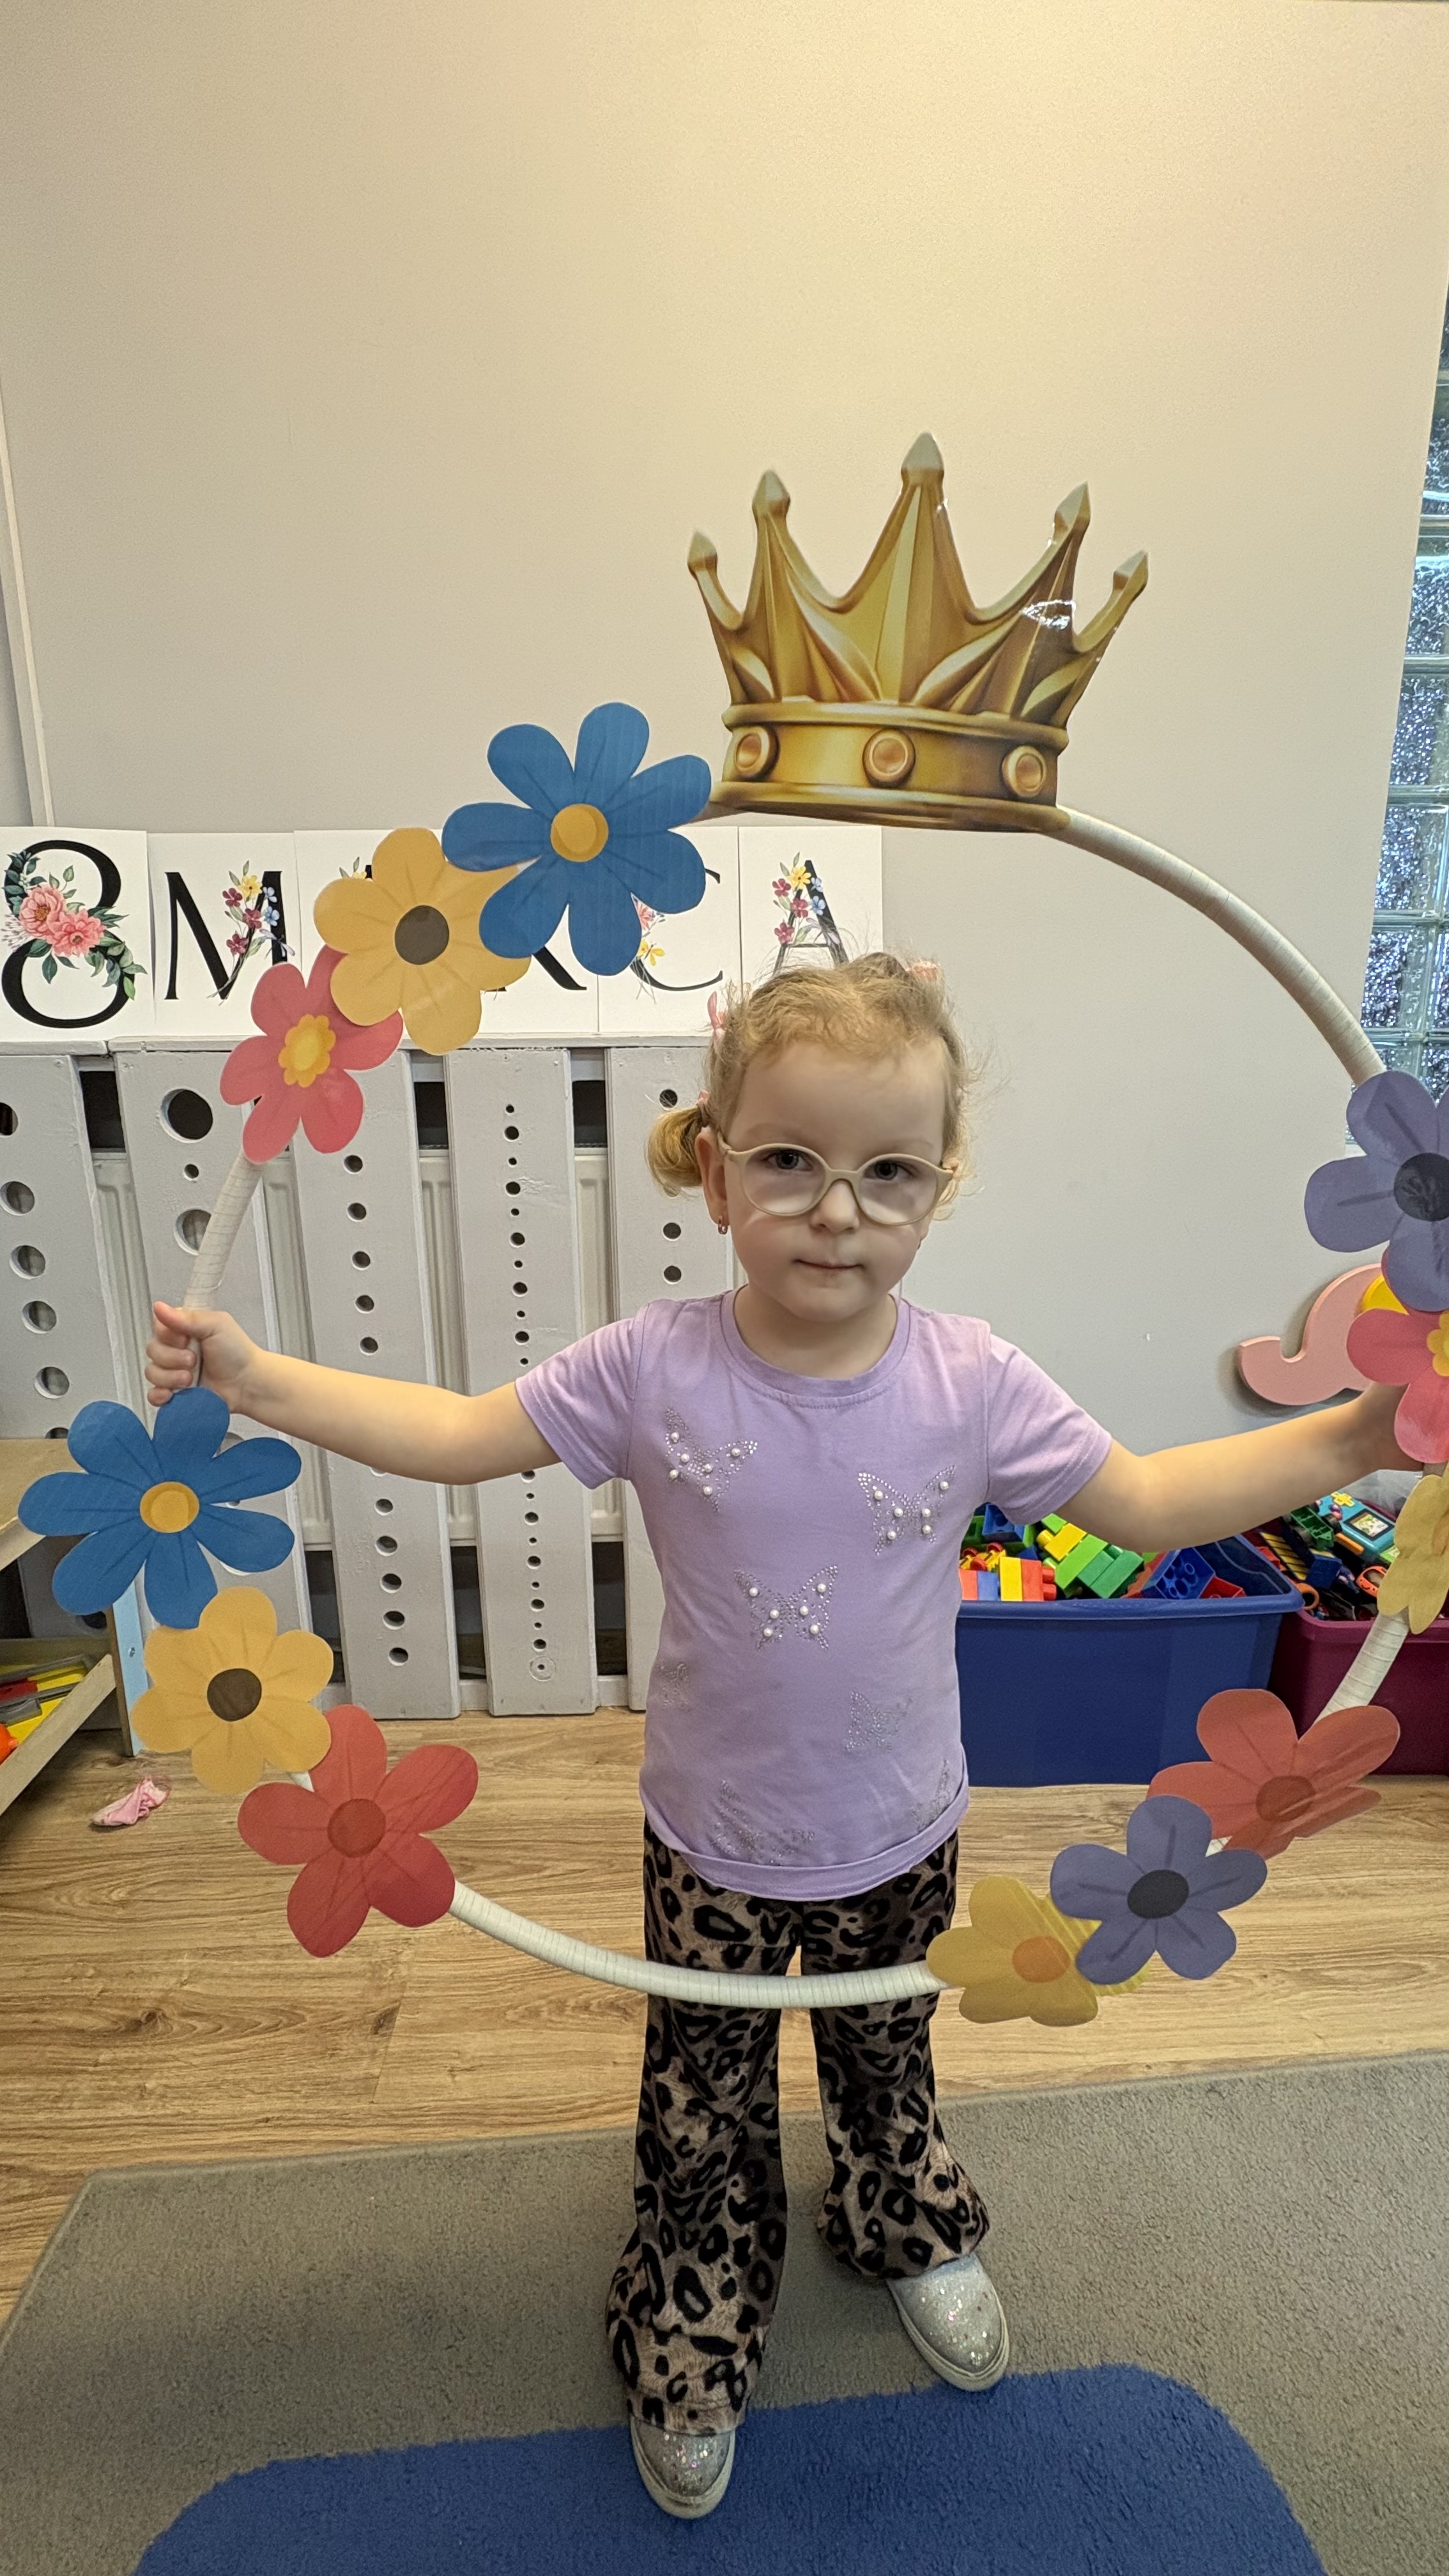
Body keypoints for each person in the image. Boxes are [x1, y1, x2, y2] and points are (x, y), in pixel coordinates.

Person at [145, 953, 1414, 2522]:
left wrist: (1360, 1431)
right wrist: (258, 1380)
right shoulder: (650, 1366)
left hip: (902, 1826)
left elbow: (1149, 1501)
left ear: (940, 1186)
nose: (837, 1211)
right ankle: (695, 2310)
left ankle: (905, 2220)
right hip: (716, 1838)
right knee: (704, 2096)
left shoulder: (973, 1380)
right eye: (793, 1162)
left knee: (891, 2055)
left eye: (889, 1173)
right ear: (717, 1168)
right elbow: (466, 1435)